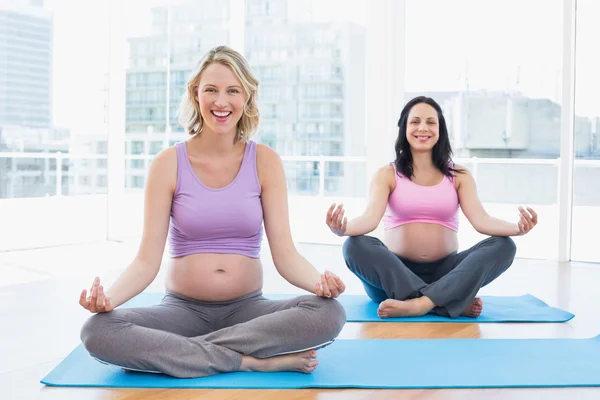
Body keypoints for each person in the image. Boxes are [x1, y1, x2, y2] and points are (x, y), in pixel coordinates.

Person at [78, 45, 347, 378]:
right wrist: (108, 300)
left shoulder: (265, 162)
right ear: (196, 94)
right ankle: (247, 360)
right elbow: (146, 261)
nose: (221, 102)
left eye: (232, 91)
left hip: (250, 311)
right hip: (181, 312)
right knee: (96, 331)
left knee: (329, 314)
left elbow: (286, 255)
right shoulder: (167, 164)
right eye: (211, 90)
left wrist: (319, 284)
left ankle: (183, 354)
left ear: (247, 97)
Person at [326, 96, 538, 319]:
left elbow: (481, 221)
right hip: (394, 275)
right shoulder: (387, 174)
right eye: (415, 122)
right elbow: (369, 219)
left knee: (504, 246)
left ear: (440, 130)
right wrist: (343, 229)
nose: (423, 128)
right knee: (353, 246)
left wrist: (517, 228)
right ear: (404, 129)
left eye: (431, 122)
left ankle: (420, 304)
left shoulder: (459, 175)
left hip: (447, 273)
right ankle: (445, 303)